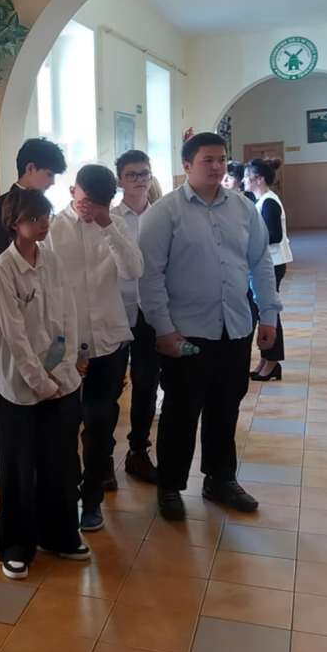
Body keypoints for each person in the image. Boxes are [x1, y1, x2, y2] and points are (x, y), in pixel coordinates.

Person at [139, 132, 282, 521]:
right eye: (208, 160)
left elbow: (260, 263)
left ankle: (220, 479)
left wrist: (268, 314)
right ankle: (170, 485)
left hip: (234, 328)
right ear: (187, 165)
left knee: (225, 407)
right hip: (186, 334)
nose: (217, 166)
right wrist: (164, 330)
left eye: (221, 159)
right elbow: (149, 278)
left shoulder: (243, 208)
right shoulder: (164, 213)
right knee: (181, 412)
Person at [0, 186, 88, 578]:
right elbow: (14, 337)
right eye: (34, 218)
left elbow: (68, 317)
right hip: (20, 386)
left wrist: (64, 369)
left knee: (59, 462)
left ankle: (59, 535)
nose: (43, 223)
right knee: (18, 468)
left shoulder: (52, 260)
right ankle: (15, 545)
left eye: (45, 216)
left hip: (61, 380)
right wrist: (40, 381)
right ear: (14, 223)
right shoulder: (3, 269)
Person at [48, 164, 143, 532]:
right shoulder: (52, 230)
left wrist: (106, 224)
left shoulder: (114, 225)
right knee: (63, 424)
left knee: (101, 423)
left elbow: (134, 270)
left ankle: (92, 500)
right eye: (85, 201)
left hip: (109, 342)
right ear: (73, 191)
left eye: (99, 204)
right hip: (64, 346)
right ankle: (66, 491)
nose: (89, 209)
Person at [112, 150, 159, 485]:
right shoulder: (110, 219)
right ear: (120, 180)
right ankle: (102, 459)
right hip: (116, 311)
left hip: (151, 312)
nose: (139, 180)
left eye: (144, 173)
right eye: (132, 174)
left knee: (146, 383)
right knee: (110, 385)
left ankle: (138, 451)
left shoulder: (163, 216)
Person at [244, 158, 293, 381]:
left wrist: (248, 239)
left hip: (273, 264)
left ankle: (272, 362)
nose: (244, 180)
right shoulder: (261, 200)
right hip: (265, 263)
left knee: (269, 312)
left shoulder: (269, 202)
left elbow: (274, 235)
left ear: (259, 179)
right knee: (263, 311)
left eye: (247, 176)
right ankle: (265, 360)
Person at [0, 137, 67, 268]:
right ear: (30, 168)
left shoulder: (43, 205)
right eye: (49, 174)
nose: (53, 182)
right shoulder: (1, 205)